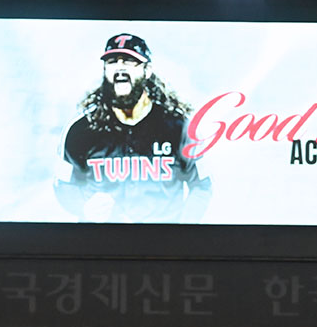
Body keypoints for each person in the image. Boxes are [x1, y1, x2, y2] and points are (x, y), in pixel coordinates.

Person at [55, 32, 211, 223]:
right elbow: (63, 185)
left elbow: (202, 186)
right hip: (100, 244)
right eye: (112, 61)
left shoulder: (179, 128)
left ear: (147, 70)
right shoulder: (81, 130)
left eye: (129, 61)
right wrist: (83, 207)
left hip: (163, 246)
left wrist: (182, 231)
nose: (119, 68)